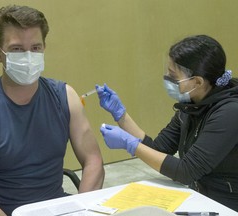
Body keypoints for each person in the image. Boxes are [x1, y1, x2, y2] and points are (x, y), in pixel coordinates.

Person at [0, 5, 104, 216]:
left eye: (35, 48)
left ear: (44, 48)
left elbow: (93, 160)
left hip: (56, 209)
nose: (28, 56)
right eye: (17, 49)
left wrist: (82, 209)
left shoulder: (65, 98)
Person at [96, 35, 238, 211]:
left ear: (198, 81)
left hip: (227, 205)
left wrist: (130, 145)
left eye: (173, 76)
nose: (168, 80)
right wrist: (121, 115)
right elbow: (159, 150)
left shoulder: (230, 112)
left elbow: (186, 172)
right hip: (200, 198)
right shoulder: (192, 104)